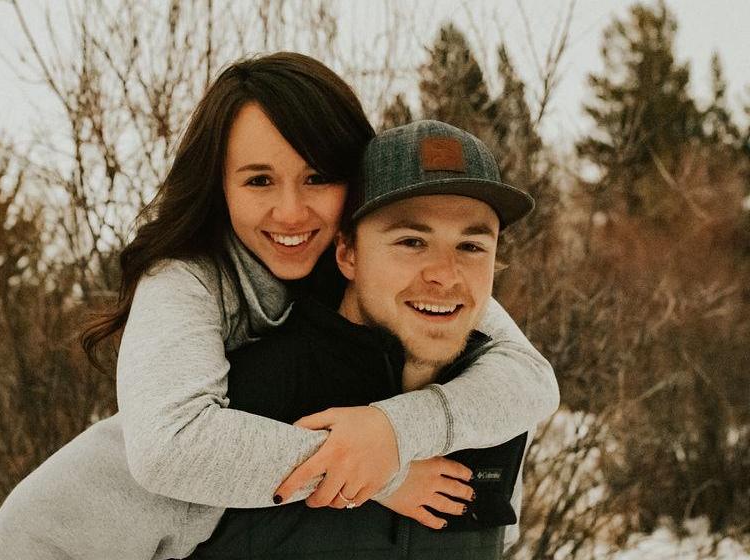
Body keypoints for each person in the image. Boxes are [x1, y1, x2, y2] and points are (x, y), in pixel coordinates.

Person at [0, 53, 558, 560]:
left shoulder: (405, 282)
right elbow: (169, 450)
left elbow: (527, 376)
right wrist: (379, 470)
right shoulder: (187, 281)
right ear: (221, 187)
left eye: (317, 177)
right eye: (259, 180)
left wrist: (393, 430)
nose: (291, 212)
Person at [190, 120, 539, 559]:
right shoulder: (238, 397)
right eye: (412, 241)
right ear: (348, 253)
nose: (446, 275)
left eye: (471, 247)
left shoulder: (498, 409)